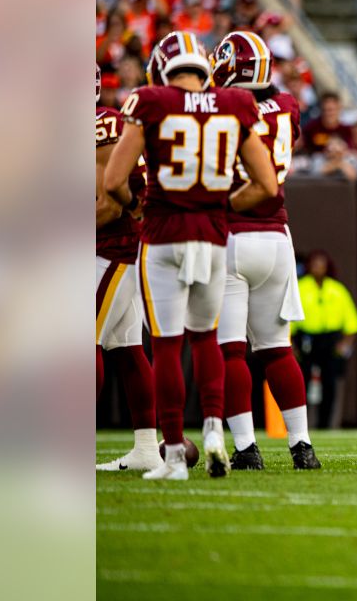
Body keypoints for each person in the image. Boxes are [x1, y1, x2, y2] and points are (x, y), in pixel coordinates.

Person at [103, 31, 279, 480]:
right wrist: (221, 204)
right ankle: (217, 432)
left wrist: (136, 204)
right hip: (213, 235)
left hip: (162, 234)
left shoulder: (150, 101)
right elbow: (266, 186)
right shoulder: (234, 104)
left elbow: (112, 183)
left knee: (166, 344)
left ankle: (176, 456)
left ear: (163, 68)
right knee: (206, 338)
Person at [210, 31, 321, 471]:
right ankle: (302, 445)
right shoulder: (289, 106)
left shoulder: (224, 106)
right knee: (277, 349)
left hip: (232, 233)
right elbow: (273, 108)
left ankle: (245, 448)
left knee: (231, 350)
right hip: (277, 237)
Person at [95, 64, 159, 473]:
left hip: (111, 249)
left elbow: (109, 205)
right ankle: (147, 448)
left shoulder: (104, 127)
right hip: (111, 250)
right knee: (127, 347)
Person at [291, 251, 357, 429]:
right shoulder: (300, 288)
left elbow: (352, 323)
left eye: (322, 264)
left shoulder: (336, 289)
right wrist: (292, 346)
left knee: (330, 384)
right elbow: (288, 321)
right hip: (307, 341)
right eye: (315, 264)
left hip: (330, 341)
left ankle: (326, 424)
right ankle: (302, 425)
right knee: (302, 384)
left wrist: (344, 346)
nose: (318, 268)